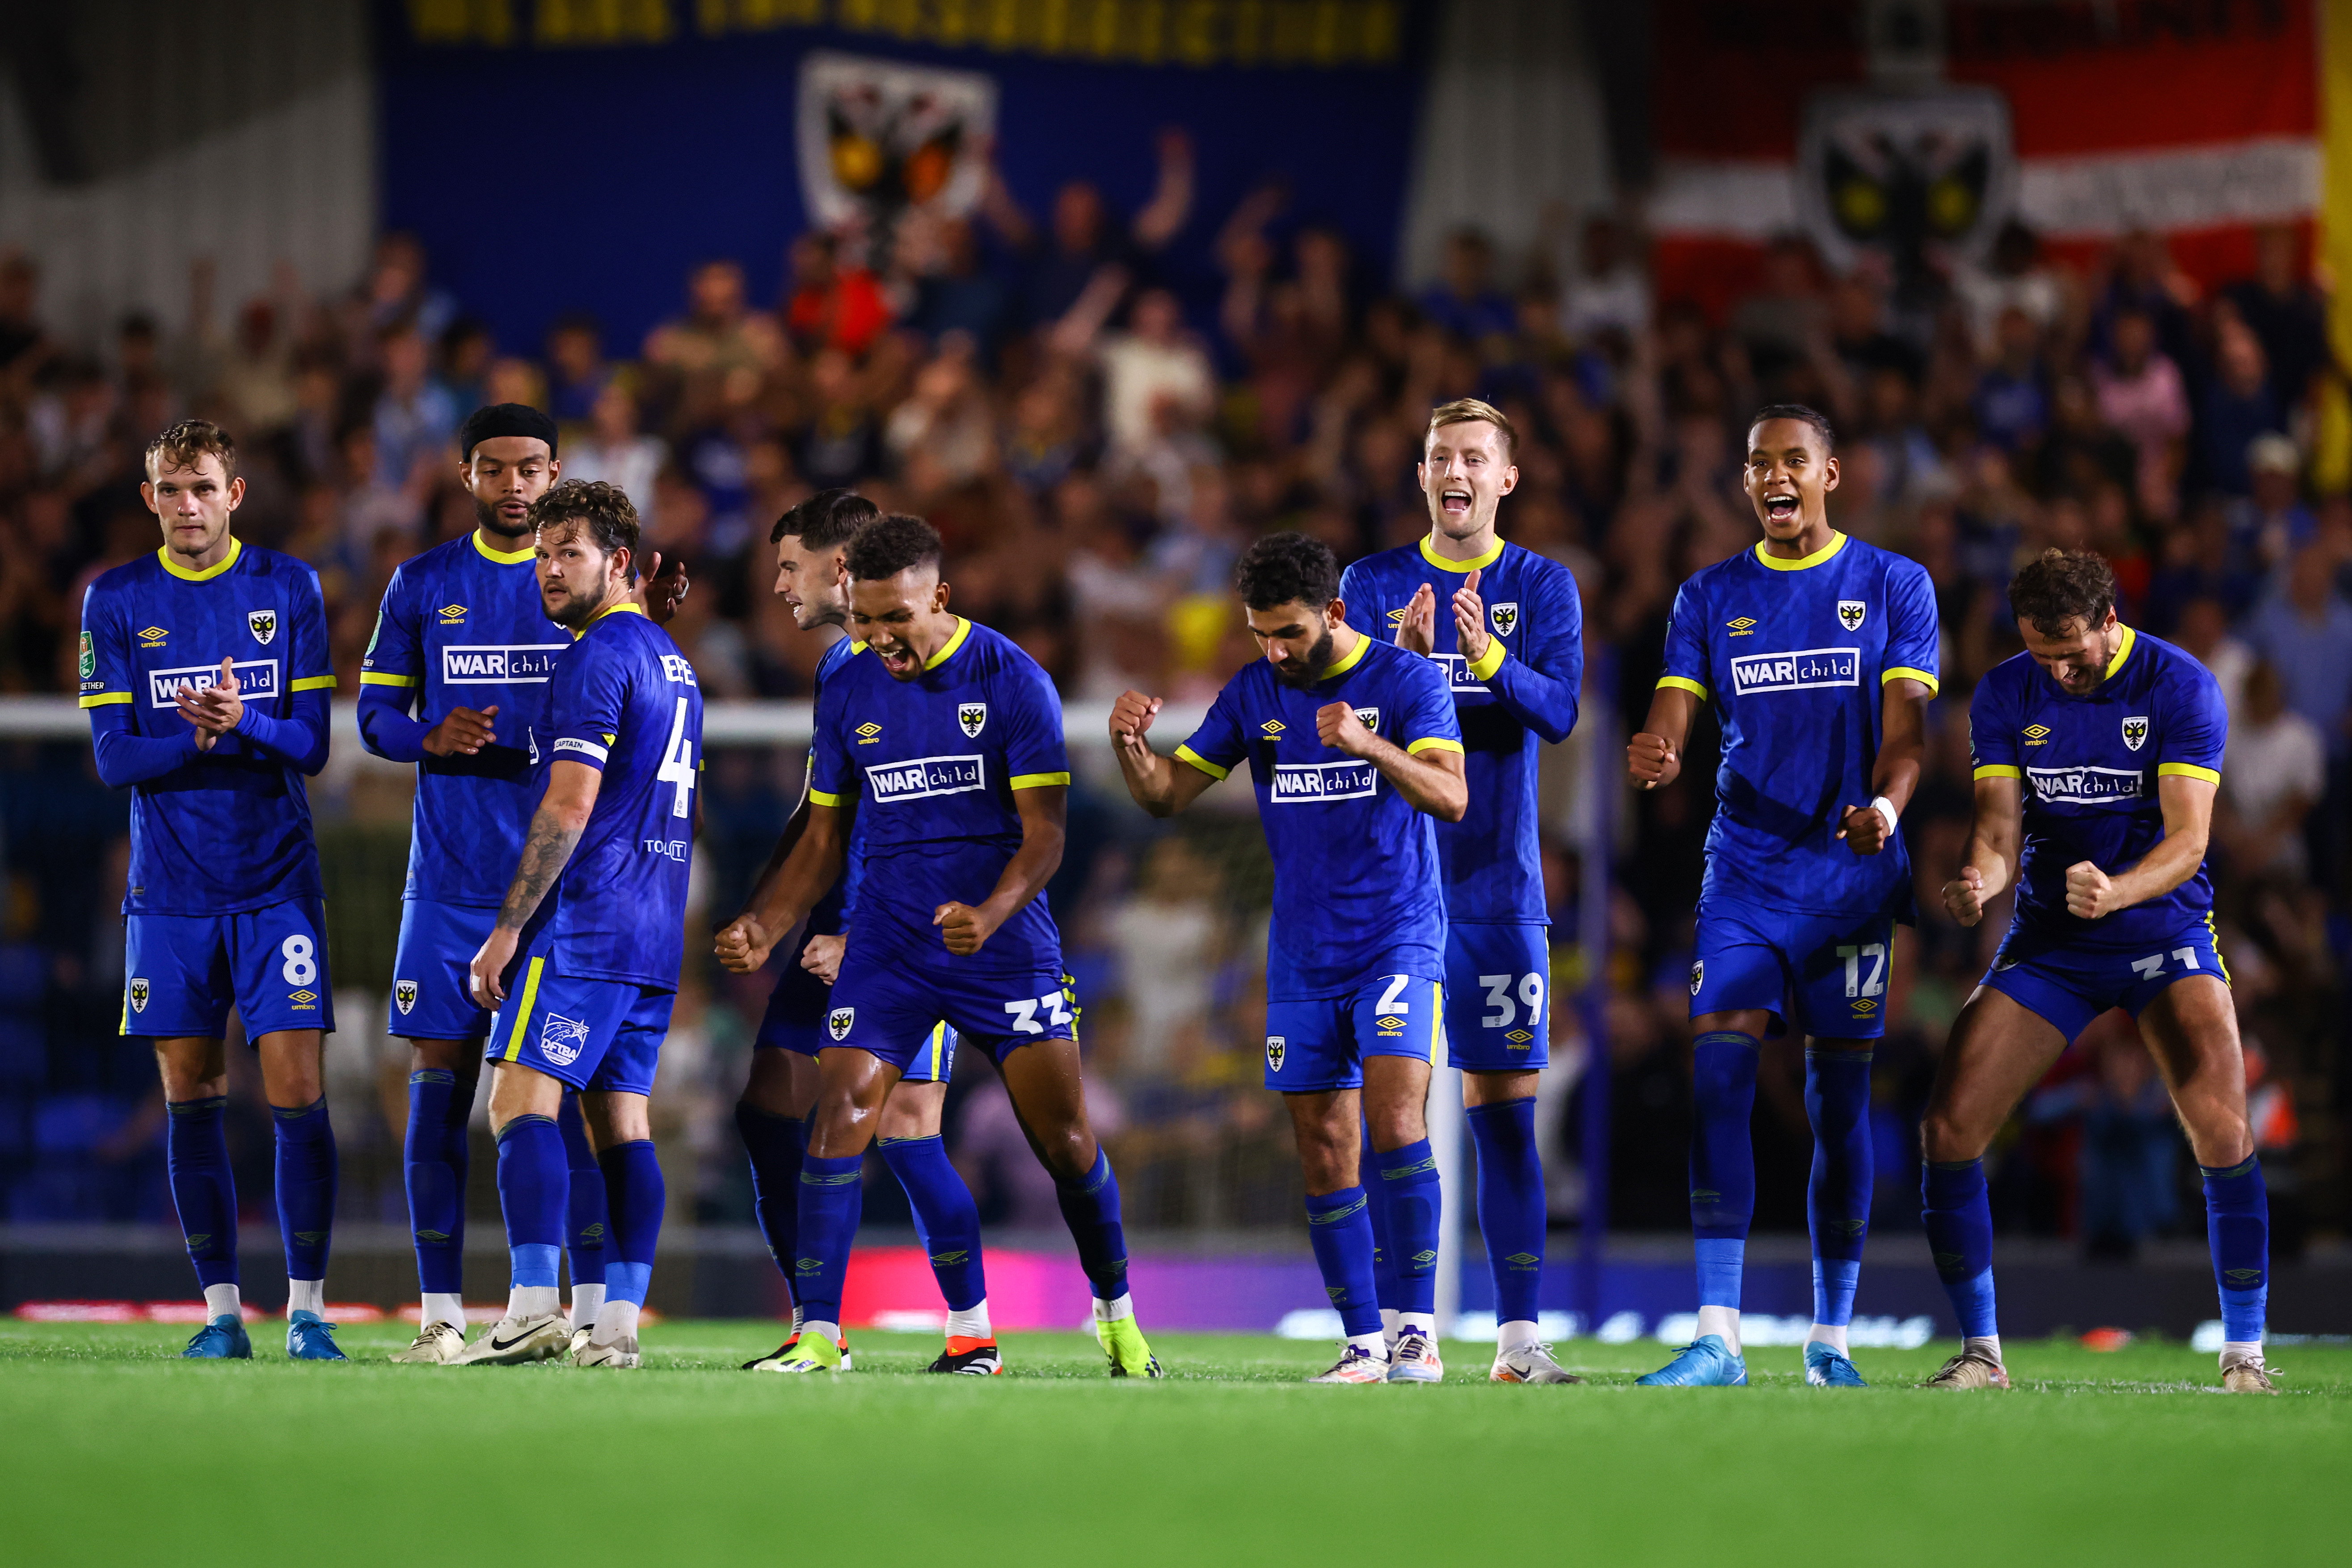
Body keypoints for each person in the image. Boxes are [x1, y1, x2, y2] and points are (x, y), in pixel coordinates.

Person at [716, 514, 1158, 1378]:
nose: (882, 639)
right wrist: (767, 925)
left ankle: (1115, 1313)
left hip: (1002, 948)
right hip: (887, 946)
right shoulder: (849, 687)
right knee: (842, 1114)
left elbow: (1046, 838)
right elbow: (823, 837)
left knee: (1064, 1142)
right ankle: (817, 1333)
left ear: (939, 598)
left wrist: (991, 913)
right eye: (868, 620)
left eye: (897, 620)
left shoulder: (1011, 679)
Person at [360, 405, 685, 1362]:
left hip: (557, 891)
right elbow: (374, 716)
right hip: (455, 880)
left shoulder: (594, 611)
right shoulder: (425, 584)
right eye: (494, 469)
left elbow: (604, 750)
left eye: (531, 468)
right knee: (440, 1091)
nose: (513, 485)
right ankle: (441, 1312)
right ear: (466, 475)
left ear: (555, 474)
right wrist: (427, 735)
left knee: (552, 1099)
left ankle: (568, 1304)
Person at [1625, 405, 1939, 1388]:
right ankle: (1719, 1331)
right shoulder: (1710, 594)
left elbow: (1910, 730)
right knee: (1718, 1074)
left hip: (1850, 879)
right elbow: (1675, 703)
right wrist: (1663, 743)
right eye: (1758, 461)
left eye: (1792, 460)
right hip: (1747, 875)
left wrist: (1886, 808)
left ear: (1831, 473)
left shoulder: (1893, 583)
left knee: (1838, 1106)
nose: (1774, 476)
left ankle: (1830, 1338)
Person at [1111, 532, 1468, 1384]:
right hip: (1304, 954)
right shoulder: (1253, 693)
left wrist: (1369, 746)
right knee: (1320, 1141)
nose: (1275, 650)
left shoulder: (1407, 682)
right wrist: (1131, 749)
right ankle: (1361, 1343)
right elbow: (1167, 798)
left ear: (1334, 614)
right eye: (1260, 633)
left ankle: (1416, 1331)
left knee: (1393, 1120)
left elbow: (1451, 796)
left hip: (1396, 938)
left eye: (1290, 634)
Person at [1926, 549, 2273, 1394]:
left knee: (2223, 1130)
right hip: (2054, 938)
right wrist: (1980, 881)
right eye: (2042, 655)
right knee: (1948, 1128)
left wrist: (2117, 891)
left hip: (2160, 926)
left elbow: (2189, 842)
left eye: (2070, 651)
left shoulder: (2178, 685)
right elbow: (1999, 835)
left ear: (2109, 619)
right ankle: (1981, 1356)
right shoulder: (2008, 692)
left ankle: (2244, 1359)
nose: (2058, 671)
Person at [79, 419, 342, 1360]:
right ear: (149, 497)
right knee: (192, 1093)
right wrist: (197, 738)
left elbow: (311, 743)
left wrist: (248, 722)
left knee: (298, 1090)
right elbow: (113, 759)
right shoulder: (114, 600)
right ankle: (224, 1315)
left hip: (276, 883)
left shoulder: (288, 587)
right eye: (170, 489)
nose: (186, 505)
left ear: (237, 494)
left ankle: (308, 1309)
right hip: (172, 890)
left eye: (203, 488)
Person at [1336, 398, 1585, 1383]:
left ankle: (1520, 1341)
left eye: (1476, 457)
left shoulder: (1542, 583)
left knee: (1505, 1112)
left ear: (1506, 478)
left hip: (1497, 889)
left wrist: (1485, 657)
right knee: (1395, 1110)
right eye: (1442, 455)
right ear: (1424, 473)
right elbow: (1341, 720)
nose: (1458, 471)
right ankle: (1405, 1332)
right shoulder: (1373, 579)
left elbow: (1560, 712)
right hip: (1394, 896)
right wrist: (1399, 658)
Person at [725, 489, 1000, 1376]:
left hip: (916, 931)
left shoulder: (953, 663)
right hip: (840, 924)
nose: (778, 585)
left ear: (839, 568)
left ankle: (973, 1331)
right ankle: (819, 1319)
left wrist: (877, 938)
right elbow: (825, 814)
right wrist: (771, 916)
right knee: (767, 1104)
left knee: (909, 1132)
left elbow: (965, 822)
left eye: (790, 565)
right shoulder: (841, 671)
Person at [453, 481, 703, 1370]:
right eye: (543, 553)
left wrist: (508, 926)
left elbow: (569, 801)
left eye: (569, 552)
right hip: (653, 928)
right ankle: (615, 1324)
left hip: (586, 925)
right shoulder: (672, 659)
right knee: (621, 1121)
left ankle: (528, 1306)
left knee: (517, 1099)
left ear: (620, 561)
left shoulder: (597, 656)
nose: (549, 569)